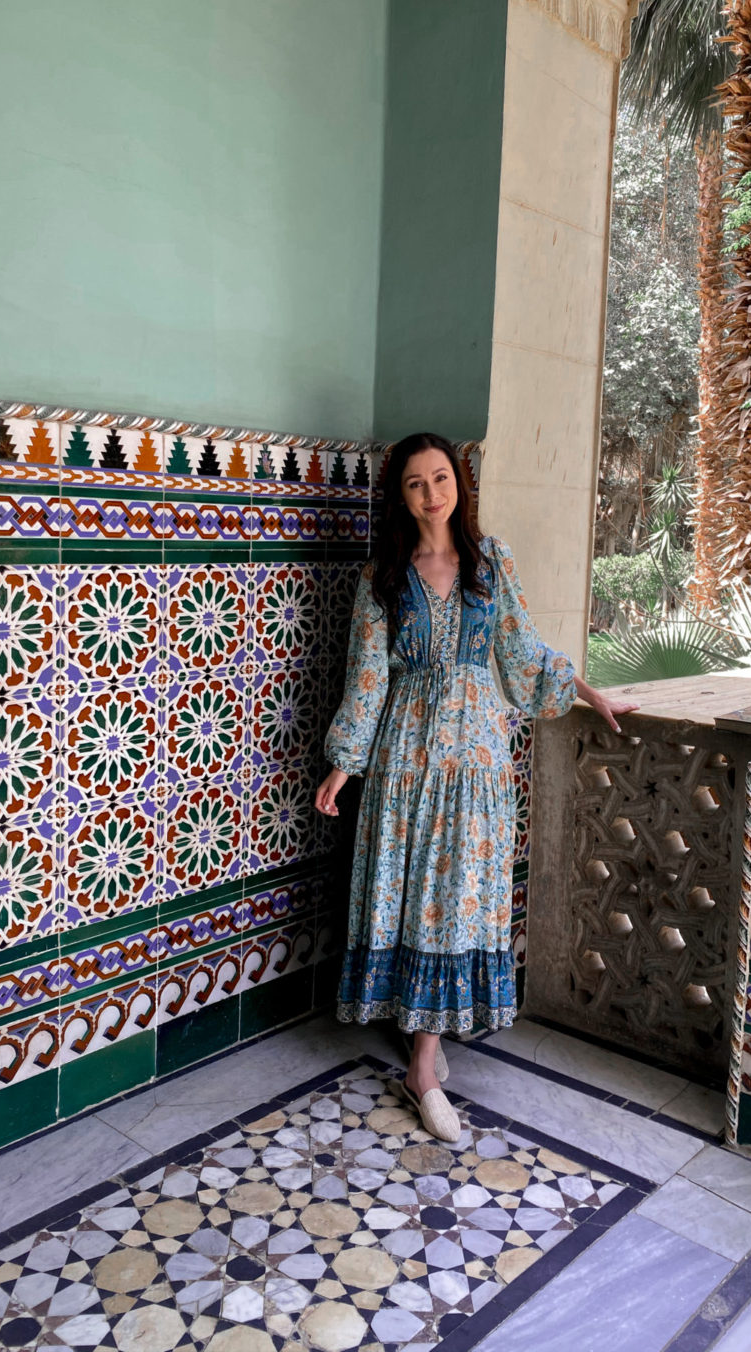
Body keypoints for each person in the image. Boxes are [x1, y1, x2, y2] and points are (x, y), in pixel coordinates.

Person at [314, 432, 637, 1141]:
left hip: (480, 764)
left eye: (441, 478)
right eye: (415, 484)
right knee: (416, 898)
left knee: (456, 899)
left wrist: (590, 692)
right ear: (400, 497)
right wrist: (344, 763)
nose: (432, 493)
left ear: (460, 483)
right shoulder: (384, 579)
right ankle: (424, 1068)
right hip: (406, 759)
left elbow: (523, 651)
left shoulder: (492, 561)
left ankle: (423, 1056)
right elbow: (367, 680)